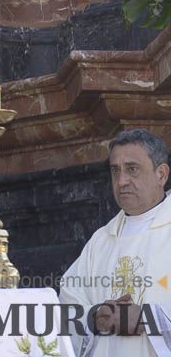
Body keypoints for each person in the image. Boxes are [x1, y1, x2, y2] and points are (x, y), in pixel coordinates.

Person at [60, 129, 171, 357]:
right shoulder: (101, 240)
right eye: (115, 171)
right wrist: (95, 318)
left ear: (161, 174)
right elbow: (69, 304)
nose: (121, 181)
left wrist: (147, 319)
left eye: (132, 169)